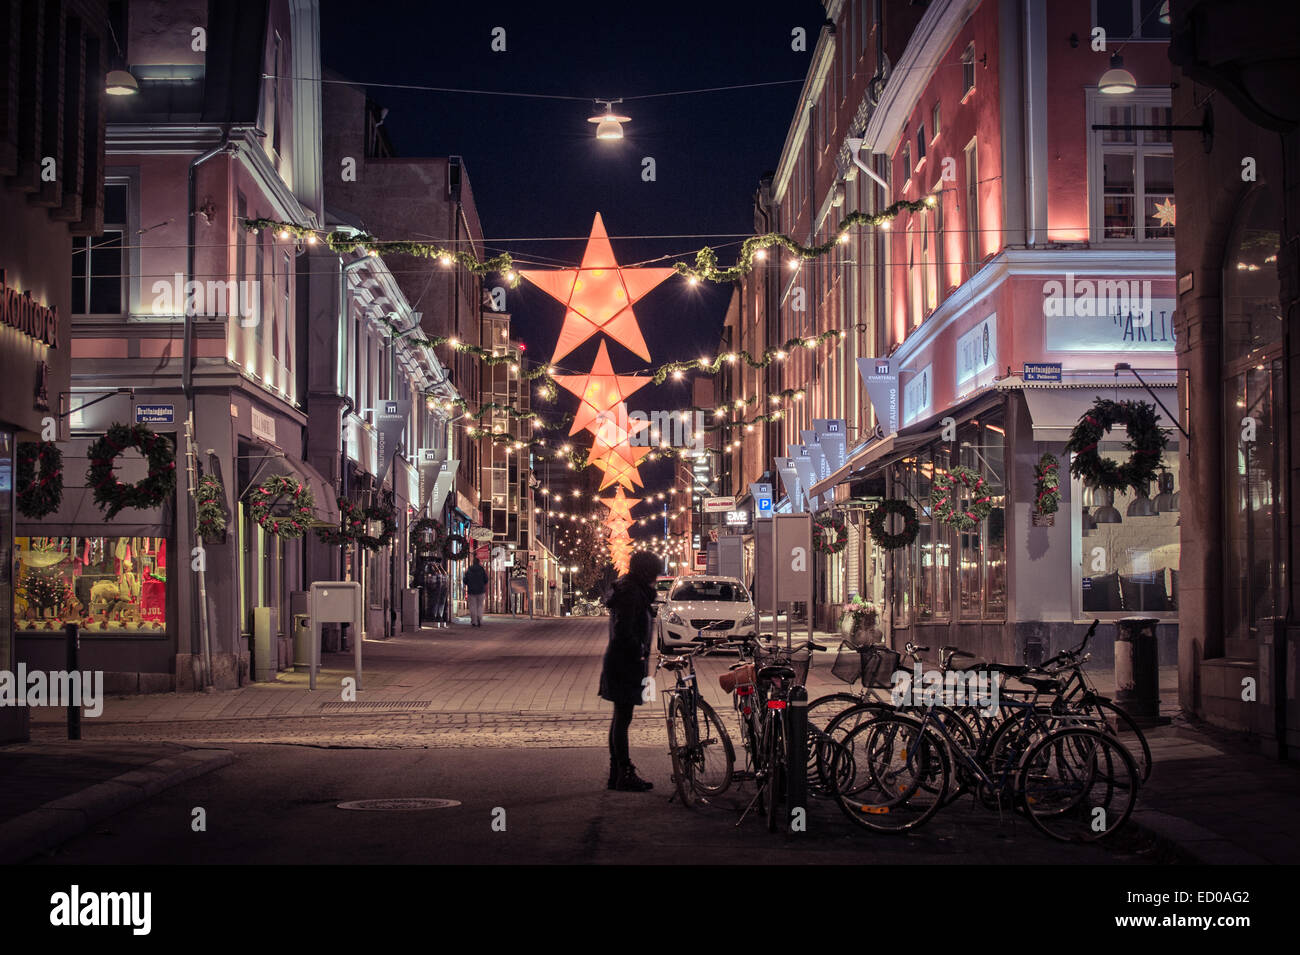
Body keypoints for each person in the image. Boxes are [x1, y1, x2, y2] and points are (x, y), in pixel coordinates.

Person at [598, 551, 661, 792]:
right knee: (623, 718)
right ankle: (623, 772)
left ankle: (617, 773)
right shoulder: (632, 593)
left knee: (620, 718)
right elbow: (625, 628)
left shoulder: (630, 590)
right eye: (654, 572)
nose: (656, 578)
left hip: (622, 660)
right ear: (646, 571)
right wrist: (639, 650)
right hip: (626, 662)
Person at [463, 557, 488, 627]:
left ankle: (474, 621)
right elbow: (486, 579)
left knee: (472, 606)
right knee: (480, 606)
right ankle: (479, 618)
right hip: (481, 590)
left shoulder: (469, 569)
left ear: (473, 562)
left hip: (471, 591)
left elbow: (465, 580)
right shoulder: (482, 569)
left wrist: (469, 583)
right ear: (478, 562)